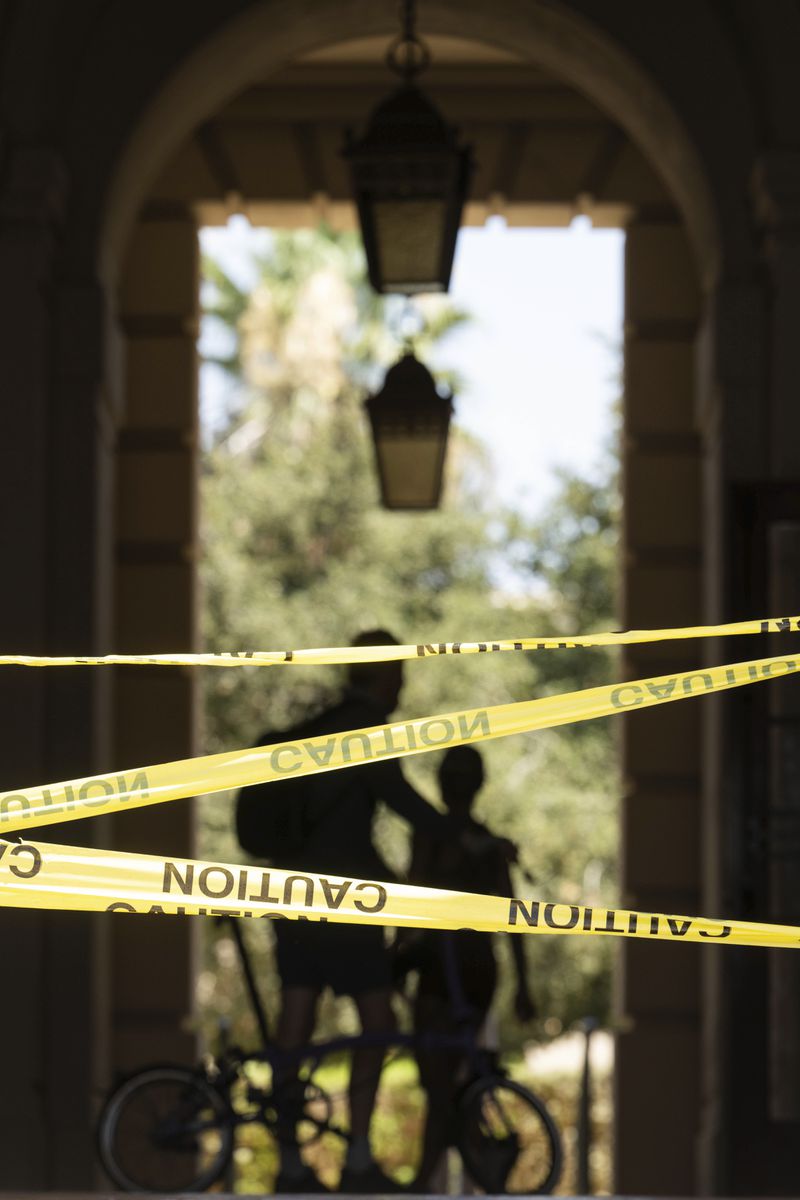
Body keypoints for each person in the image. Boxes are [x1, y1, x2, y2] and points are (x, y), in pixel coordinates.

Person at [267, 631, 511, 1194]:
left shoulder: (312, 730)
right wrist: (471, 843)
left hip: (288, 898)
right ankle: (356, 1158)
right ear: (379, 677)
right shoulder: (364, 734)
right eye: (398, 675)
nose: (402, 686)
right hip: (343, 909)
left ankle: (289, 1163)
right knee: (379, 1025)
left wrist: (395, 882)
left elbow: (343, 833)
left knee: (294, 1024)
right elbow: (408, 808)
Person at [398, 744, 536, 1192]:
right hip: (455, 970)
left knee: (441, 1086)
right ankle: (473, 1166)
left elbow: (411, 901)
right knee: (443, 1083)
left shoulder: (459, 842)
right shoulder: (474, 844)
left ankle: (427, 1183)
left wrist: (395, 955)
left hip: (459, 973)